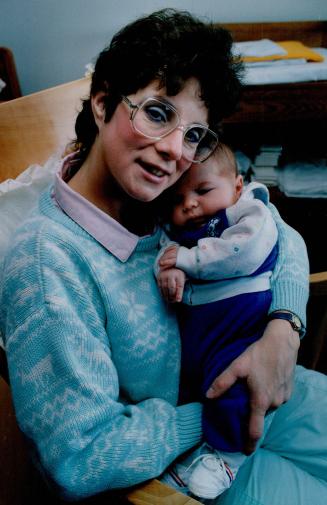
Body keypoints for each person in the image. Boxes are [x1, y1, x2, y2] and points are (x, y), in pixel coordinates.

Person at [0, 8, 326, 505]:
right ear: (103, 103)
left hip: (269, 384)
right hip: (192, 451)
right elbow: (78, 457)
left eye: (195, 134)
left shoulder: (171, 201)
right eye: (158, 112)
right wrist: (218, 407)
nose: (177, 150)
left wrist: (283, 330)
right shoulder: (47, 264)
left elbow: (279, 235)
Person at [155, 144, 279, 499]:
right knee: (196, 389)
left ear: (237, 186)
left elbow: (245, 250)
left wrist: (188, 260)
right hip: (199, 330)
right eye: (177, 199)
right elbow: (163, 256)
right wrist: (167, 271)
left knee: (233, 387)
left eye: (203, 191)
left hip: (241, 322)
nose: (189, 204)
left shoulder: (248, 212)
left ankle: (228, 458)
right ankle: (196, 457)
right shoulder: (175, 232)